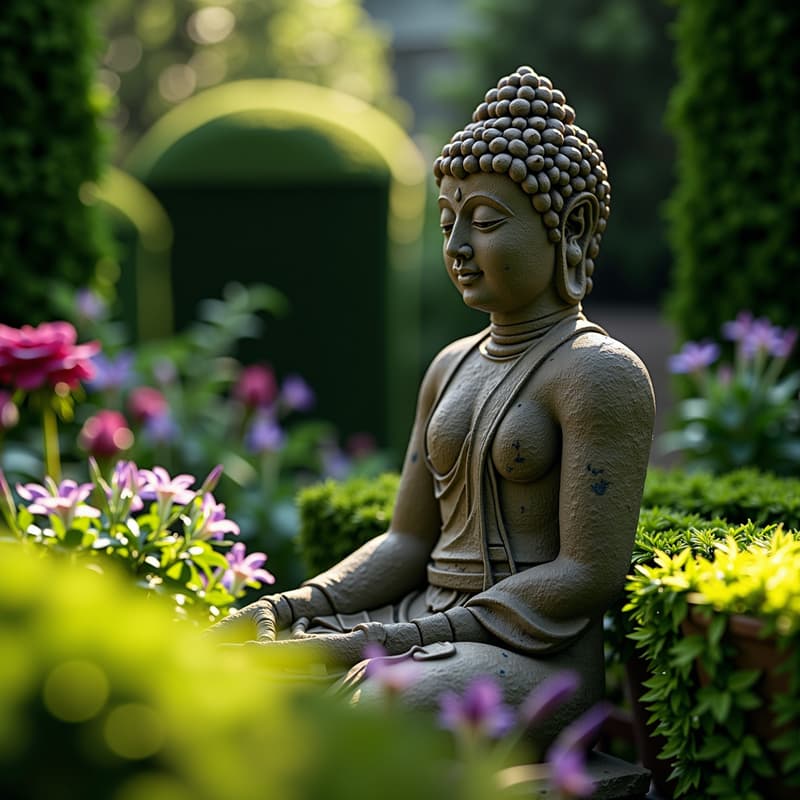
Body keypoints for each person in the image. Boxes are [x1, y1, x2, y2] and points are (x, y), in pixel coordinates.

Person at [213, 65, 655, 745]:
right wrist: (295, 604)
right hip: (421, 617)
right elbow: (408, 540)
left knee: (380, 708)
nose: (456, 248)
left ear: (570, 225)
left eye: (482, 222)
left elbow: (587, 573)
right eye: (448, 222)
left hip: (531, 652)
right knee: (226, 669)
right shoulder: (450, 365)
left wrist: (397, 637)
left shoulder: (598, 374)